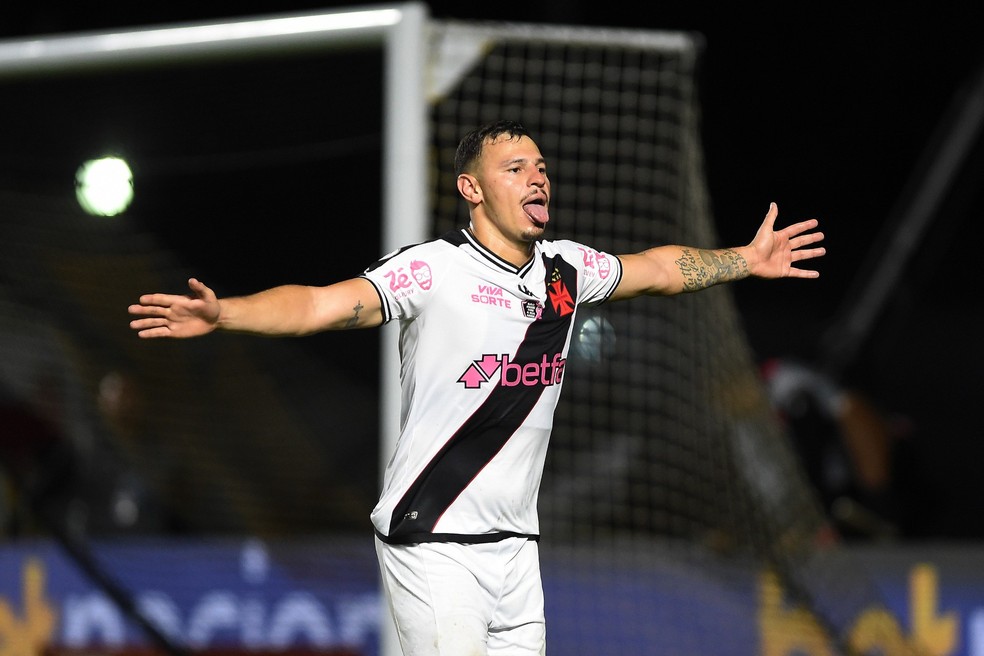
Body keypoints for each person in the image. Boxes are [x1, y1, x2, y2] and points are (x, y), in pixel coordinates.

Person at [128, 119, 825, 655]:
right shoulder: (433, 271)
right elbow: (317, 305)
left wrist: (743, 259)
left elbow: (661, 268)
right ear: (473, 188)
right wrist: (227, 313)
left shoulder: (566, 272)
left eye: (542, 168)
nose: (537, 179)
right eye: (516, 168)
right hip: (434, 540)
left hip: (516, 545)